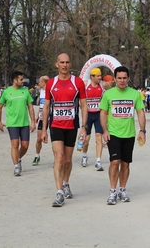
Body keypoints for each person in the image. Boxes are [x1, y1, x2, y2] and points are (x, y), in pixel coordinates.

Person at [41, 53, 88, 207]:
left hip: (72, 126)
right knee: (59, 157)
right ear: (57, 64)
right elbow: (47, 107)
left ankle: (66, 183)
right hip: (56, 126)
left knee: (68, 160)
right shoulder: (51, 84)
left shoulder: (78, 82)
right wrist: (43, 129)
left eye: (67, 62)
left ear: (70, 64)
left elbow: (83, 105)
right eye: (62, 62)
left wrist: (84, 127)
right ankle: (59, 192)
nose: (65, 65)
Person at [99, 66, 146, 205]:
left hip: (129, 134)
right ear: (115, 79)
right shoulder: (108, 94)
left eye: (124, 78)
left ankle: (122, 189)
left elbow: (140, 112)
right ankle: (112, 191)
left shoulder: (135, 94)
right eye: (119, 78)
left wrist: (142, 131)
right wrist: (104, 130)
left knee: (125, 164)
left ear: (128, 79)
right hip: (113, 133)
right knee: (114, 162)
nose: (122, 80)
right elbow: (102, 112)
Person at [0, 71, 36, 176]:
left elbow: (30, 107)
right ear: (14, 80)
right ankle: (16, 166)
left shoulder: (25, 91)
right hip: (12, 123)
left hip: (24, 122)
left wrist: (33, 122)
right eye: (21, 79)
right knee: (15, 144)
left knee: (25, 145)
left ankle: (18, 158)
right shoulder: (6, 92)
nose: (23, 81)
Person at [81, 67, 105, 171]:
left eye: (100, 76)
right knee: (86, 139)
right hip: (88, 115)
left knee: (99, 138)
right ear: (92, 76)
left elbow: (112, 85)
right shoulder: (86, 84)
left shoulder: (102, 85)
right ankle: (85, 156)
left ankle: (98, 161)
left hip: (98, 115)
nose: (100, 78)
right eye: (98, 76)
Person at [32, 75, 50, 166]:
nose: (39, 83)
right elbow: (42, 105)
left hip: (52, 117)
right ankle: (37, 155)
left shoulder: (51, 91)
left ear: (45, 82)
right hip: (42, 117)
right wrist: (37, 116)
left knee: (56, 139)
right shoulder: (42, 91)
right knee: (39, 138)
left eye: (40, 81)